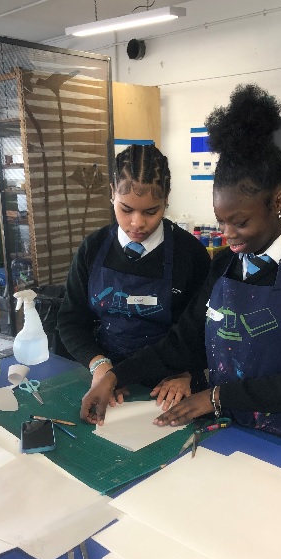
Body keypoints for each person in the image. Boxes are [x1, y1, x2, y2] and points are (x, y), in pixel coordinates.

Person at [80, 84, 281, 451]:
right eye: (221, 221)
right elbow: (183, 340)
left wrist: (215, 396)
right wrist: (114, 376)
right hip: (221, 430)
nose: (228, 236)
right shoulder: (224, 264)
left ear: (278, 201)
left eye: (240, 222)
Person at [57, 143, 211, 396]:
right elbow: (71, 320)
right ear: (112, 194)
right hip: (108, 377)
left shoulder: (189, 253)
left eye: (151, 211)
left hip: (171, 382)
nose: (137, 223)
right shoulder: (93, 249)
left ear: (167, 198)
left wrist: (187, 372)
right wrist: (97, 364)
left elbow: (203, 329)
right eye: (125, 209)